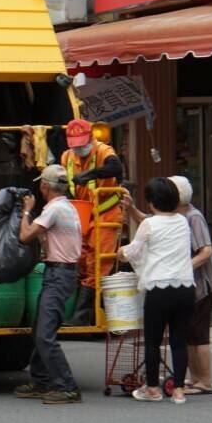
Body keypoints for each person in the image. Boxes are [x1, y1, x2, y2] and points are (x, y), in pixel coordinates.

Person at [123, 176, 212, 395]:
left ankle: (200, 381)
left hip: (197, 283)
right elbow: (149, 220)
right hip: (185, 286)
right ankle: (182, 386)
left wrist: (179, 265)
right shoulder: (178, 219)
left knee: (192, 335)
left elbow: (206, 251)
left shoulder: (192, 217)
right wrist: (132, 208)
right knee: (183, 337)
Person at [117, 178, 195, 404]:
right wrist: (133, 208)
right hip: (185, 288)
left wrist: (120, 253)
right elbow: (156, 224)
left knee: (153, 341)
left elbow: (133, 250)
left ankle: (152, 389)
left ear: (152, 202)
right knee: (179, 341)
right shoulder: (182, 221)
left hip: (158, 289)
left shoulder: (149, 225)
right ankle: (179, 390)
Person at [14, 165, 83, 404]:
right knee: (41, 330)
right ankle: (41, 380)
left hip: (58, 274)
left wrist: (26, 211)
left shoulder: (53, 210)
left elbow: (25, 236)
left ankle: (67, 386)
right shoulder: (69, 207)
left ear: (45, 186)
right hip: (62, 274)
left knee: (44, 335)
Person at [61, 119, 123, 326]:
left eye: (82, 143)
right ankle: (84, 313)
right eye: (75, 144)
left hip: (106, 214)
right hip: (82, 215)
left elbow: (115, 168)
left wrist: (91, 174)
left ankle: (82, 315)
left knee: (98, 263)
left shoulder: (103, 150)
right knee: (80, 261)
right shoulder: (67, 157)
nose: (79, 148)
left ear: (90, 137)